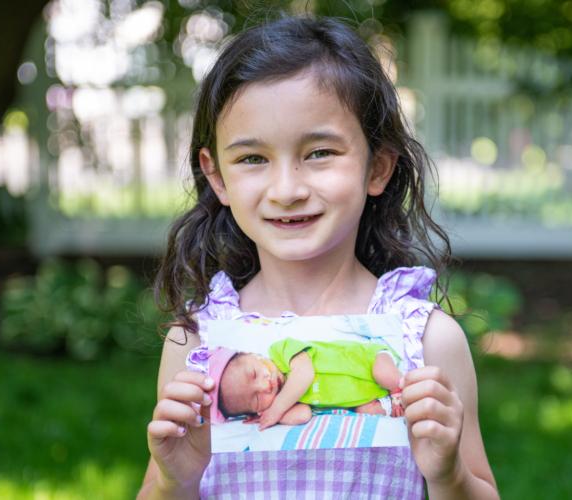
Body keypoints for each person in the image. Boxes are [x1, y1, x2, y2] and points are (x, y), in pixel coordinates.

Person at [138, 14, 499, 500]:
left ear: (379, 167)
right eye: (252, 159)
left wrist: (448, 474)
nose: (286, 190)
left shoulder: (429, 341)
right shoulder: (198, 344)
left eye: (320, 152)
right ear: (217, 176)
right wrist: (172, 481)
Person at [209, 339, 405, 429]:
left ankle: (397, 388)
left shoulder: (281, 351)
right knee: (366, 412)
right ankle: (394, 403)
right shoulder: (288, 402)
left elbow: (304, 373)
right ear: (255, 412)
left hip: (369, 360)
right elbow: (303, 416)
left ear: (254, 356)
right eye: (257, 399)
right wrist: (272, 417)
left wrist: (276, 408)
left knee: (384, 374)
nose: (265, 386)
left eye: (254, 374)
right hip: (368, 396)